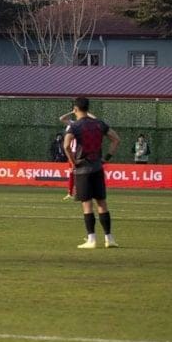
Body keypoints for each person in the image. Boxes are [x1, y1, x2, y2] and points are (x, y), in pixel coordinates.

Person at [64, 96, 120, 249]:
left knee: (87, 204)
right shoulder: (99, 124)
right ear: (88, 108)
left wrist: (73, 162)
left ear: (75, 109)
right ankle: (110, 239)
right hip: (98, 167)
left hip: (83, 169)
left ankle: (92, 239)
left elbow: (66, 145)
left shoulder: (74, 126)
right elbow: (116, 139)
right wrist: (106, 158)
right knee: (102, 203)